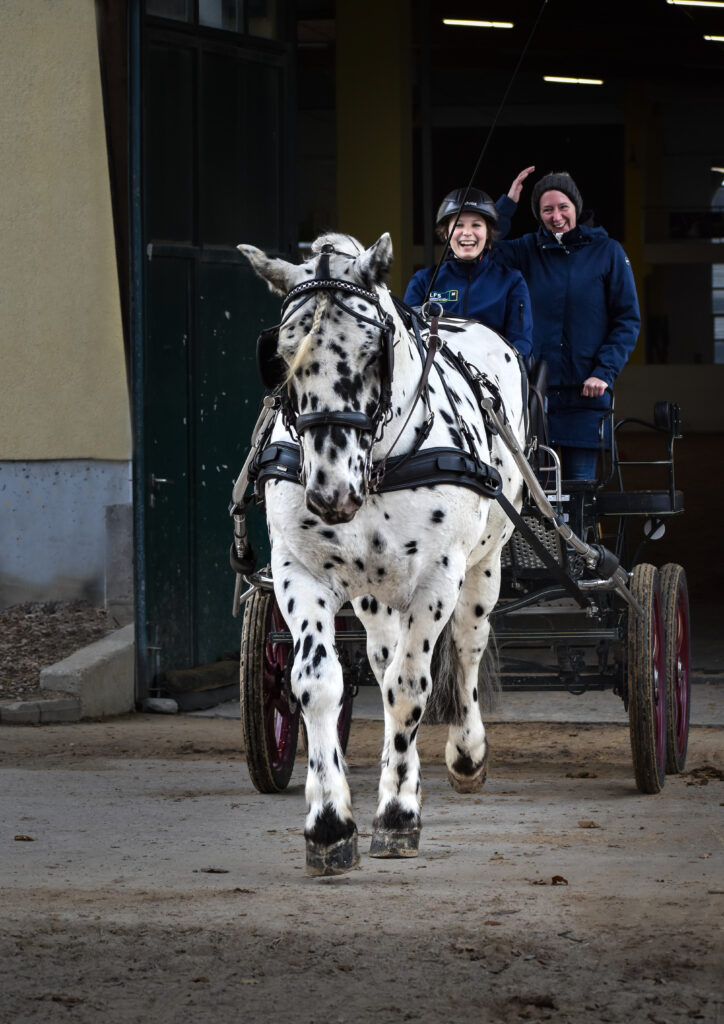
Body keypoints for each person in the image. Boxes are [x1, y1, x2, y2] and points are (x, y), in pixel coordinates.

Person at [492, 168, 641, 480]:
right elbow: (482, 246)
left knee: (579, 496)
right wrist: (507, 204)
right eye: (547, 210)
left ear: (576, 207)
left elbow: (627, 321)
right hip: (534, 394)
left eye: (563, 207)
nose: (556, 216)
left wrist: (604, 371)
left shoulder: (608, 252)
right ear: (538, 214)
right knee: (531, 496)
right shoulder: (526, 250)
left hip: (584, 394)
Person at [404, 188, 533, 360]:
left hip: (492, 378)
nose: (467, 232)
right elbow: (406, 340)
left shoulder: (511, 281)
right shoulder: (422, 281)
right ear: (445, 232)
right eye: (458, 224)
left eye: (476, 224)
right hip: (435, 379)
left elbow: (521, 345)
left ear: (488, 234)